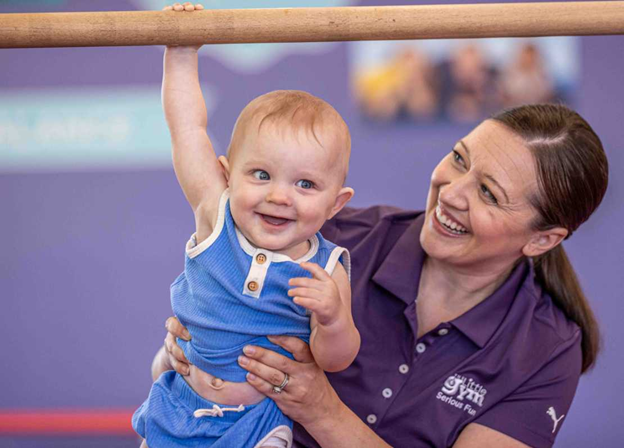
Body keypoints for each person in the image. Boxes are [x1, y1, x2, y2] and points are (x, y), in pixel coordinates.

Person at [158, 102, 608, 447]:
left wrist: (322, 411)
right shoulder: (327, 238)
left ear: (542, 240)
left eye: (488, 193)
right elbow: (192, 355)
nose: (452, 192)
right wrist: (185, 353)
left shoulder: (547, 348)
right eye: (459, 158)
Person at [132, 3, 360, 448]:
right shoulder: (215, 217)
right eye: (260, 175)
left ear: (337, 204)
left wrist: (332, 318)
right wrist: (180, 50)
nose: (279, 195)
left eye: (306, 184)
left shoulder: (326, 269)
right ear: (226, 175)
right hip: (179, 408)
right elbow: (187, 129)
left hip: (258, 426)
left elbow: (335, 360)